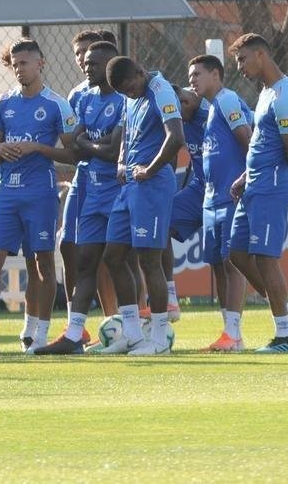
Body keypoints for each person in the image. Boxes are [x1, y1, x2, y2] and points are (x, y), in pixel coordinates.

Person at [0, 38, 77, 357]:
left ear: (40, 64)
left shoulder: (57, 104)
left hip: (40, 193)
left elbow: (73, 152)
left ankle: (38, 334)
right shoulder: (2, 103)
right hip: (5, 191)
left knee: (41, 262)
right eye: (15, 64)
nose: (19, 69)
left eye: (25, 63)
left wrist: (38, 148)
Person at [32, 40, 124, 355]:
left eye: (94, 63)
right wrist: (94, 144)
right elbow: (76, 145)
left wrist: (91, 144)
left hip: (119, 191)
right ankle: (73, 334)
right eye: (85, 62)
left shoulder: (126, 101)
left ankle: (132, 328)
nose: (87, 67)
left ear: (112, 64)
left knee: (118, 260)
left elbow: (113, 151)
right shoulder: (84, 99)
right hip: (91, 191)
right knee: (84, 261)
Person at [96, 57, 185, 356]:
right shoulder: (128, 97)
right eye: (124, 91)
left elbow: (176, 138)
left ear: (139, 72)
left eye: (130, 87)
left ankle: (160, 337)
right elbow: (125, 133)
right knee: (114, 255)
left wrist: (151, 168)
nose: (130, 94)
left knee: (149, 260)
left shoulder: (161, 90)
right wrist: (122, 161)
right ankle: (132, 334)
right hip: (131, 183)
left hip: (153, 184)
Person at [228, 33, 288, 353]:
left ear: (261, 54)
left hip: (272, 186)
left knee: (265, 257)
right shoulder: (266, 93)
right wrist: (247, 175)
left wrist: (266, 174)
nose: (240, 67)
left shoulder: (284, 94)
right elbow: (264, 142)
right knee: (237, 252)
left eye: (243, 59)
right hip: (256, 185)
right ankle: (287, 313)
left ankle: (284, 336)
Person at [188, 54, 255, 352]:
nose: (192, 80)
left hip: (230, 198)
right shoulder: (211, 108)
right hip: (211, 199)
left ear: (216, 75)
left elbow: (248, 140)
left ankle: (235, 334)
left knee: (231, 264)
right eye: (190, 76)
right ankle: (228, 333)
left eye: (197, 74)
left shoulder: (227, 101)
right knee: (217, 265)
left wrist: (245, 177)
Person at [165, 86, 209, 323]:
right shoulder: (176, 119)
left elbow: (250, 130)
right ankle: (169, 298)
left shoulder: (218, 110)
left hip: (224, 191)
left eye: (180, 105)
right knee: (158, 226)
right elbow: (171, 149)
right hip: (198, 189)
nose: (178, 113)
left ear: (189, 97)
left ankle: (233, 331)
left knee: (233, 261)